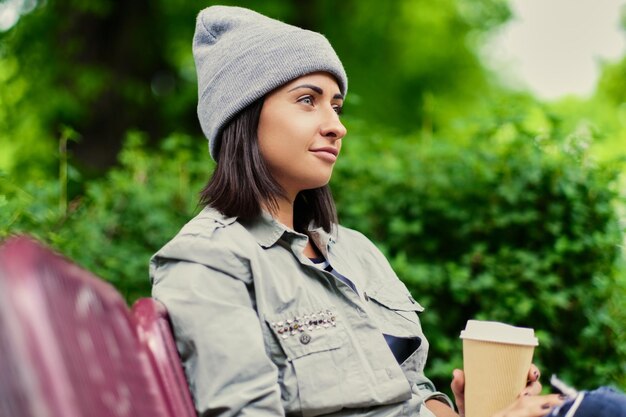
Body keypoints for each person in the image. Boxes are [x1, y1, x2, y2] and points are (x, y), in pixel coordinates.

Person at [150, 6, 626, 417]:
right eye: (307, 100)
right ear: (243, 117)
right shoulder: (209, 261)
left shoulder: (352, 251)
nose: (336, 126)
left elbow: (410, 392)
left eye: (336, 106)